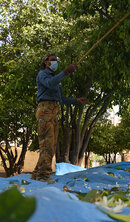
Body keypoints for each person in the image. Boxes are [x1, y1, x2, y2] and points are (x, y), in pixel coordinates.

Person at [32, 54, 88, 182]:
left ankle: (37, 173)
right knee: (47, 144)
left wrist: (76, 100)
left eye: (56, 61)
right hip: (45, 111)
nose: (55, 62)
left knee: (50, 144)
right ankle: (43, 176)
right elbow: (49, 84)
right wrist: (65, 72)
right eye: (52, 60)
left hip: (52, 111)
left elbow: (62, 100)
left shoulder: (54, 80)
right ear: (46, 62)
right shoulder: (43, 74)